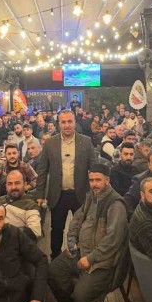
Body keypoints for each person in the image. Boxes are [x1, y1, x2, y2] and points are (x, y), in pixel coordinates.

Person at [48, 164, 128, 302]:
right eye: (91, 180)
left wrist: (90, 258)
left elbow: (113, 241)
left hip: (101, 262)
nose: (94, 184)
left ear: (107, 180)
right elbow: (76, 220)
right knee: (52, 272)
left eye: (98, 180)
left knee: (81, 296)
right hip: (80, 251)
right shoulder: (91, 197)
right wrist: (71, 242)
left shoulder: (115, 204)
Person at [34, 109, 97, 258]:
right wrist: (40, 194)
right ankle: (55, 259)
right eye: (63, 122)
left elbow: (94, 168)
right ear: (59, 124)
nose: (67, 125)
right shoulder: (50, 143)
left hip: (80, 194)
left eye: (70, 121)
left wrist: (97, 192)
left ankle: (81, 258)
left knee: (82, 230)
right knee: (56, 229)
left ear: (75, 123)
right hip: (58, 195)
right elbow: (42, 170)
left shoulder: (86, 142)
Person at [0, 170, 42, 241]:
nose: (13, 187)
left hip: (13, 243)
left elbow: (35, 231)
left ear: (25, 184)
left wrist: (4, 233)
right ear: (6, 186)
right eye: (9, 184)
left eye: (17, 183)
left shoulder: (31, 205)